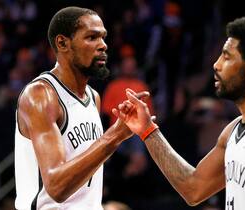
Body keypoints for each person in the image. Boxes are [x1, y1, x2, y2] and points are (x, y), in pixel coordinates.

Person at [113, 15, 245, 210]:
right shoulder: (233, 131)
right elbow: (193, 188)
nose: (216, 64)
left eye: (227, 57)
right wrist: (148, 131)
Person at [14, 6, 148, 210]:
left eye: (103, 37)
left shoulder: (93, 97)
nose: (103, 45)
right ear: (63, 43)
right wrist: (115, 136)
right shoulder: (41, 95)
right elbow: (56, 187)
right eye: (91, 37)